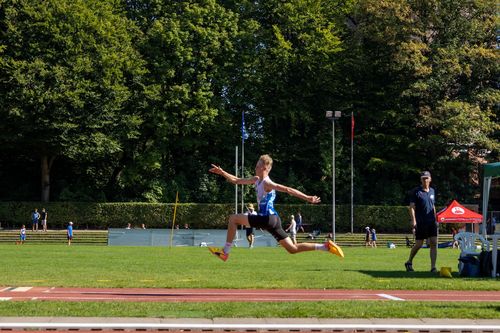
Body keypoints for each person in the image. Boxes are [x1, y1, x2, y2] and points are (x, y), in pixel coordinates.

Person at [207, 154, 344, 261]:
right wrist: (223, 172)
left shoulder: (267, 183)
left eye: (257, 166)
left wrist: (307, 198)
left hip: (267, 219)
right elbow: (237, 180)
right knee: (292, 249)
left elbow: (288, 189)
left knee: (233, 219)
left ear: (265, 168)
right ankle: (325, 247)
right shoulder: (256, 179)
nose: (255, 168)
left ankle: (225, 252)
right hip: (274, 220)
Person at [405, 171, 438, 273]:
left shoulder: (432, 191)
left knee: (433, 242)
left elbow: (433, 206)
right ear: (421, 179)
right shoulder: (416, 191)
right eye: (423, 178)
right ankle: (409, 262)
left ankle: (433, 267)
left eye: (427, 178)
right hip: (421, 222)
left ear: (430, 179)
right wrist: (414, 221)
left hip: (431, 221)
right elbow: (411, 208)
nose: (425, 180)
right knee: (419, 244)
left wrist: (436, 219)